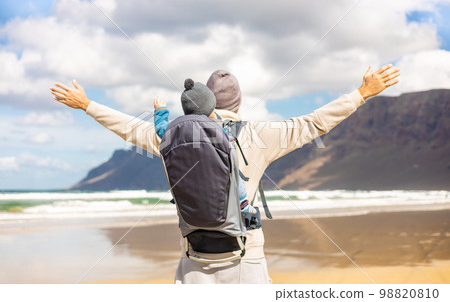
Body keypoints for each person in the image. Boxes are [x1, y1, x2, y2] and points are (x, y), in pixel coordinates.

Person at [50, 64, 400, 283]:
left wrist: (87, 105)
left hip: (194, 257)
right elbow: (312, 123)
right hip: (247, 256)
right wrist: (361, 93)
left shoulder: (170, 135)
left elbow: (129, 128)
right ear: (238, 103)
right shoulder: (260, 135)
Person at [153, 78, 257, 215]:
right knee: (234, 172)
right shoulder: (215, 131)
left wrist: (160, 110)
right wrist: (217, 118)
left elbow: (161, 128)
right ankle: (243, 203)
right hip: (214, 185)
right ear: (210, 108)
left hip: (191, 185)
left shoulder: (175, 130)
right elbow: (228, 138)